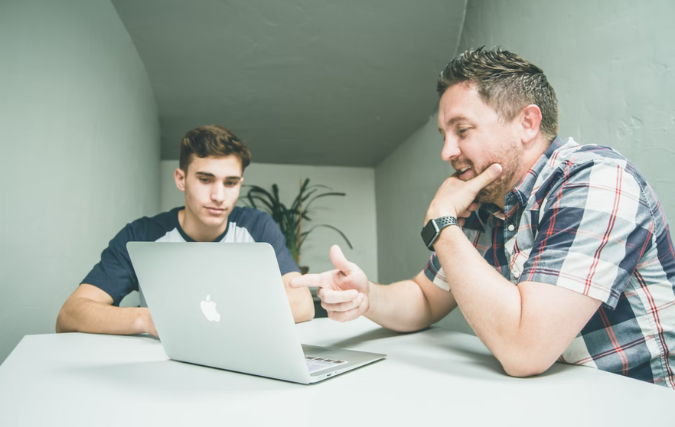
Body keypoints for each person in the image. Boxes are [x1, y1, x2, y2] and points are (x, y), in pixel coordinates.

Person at [291, 47, 675, 388]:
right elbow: (426, 297)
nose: (447, 151)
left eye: (462, 130)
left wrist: (442, 223)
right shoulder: (488, 201)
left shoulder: (597, 180)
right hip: (552, 397)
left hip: (638, 402)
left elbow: (526, 350)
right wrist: (367, 295)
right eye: (444, 134)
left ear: (527, 123)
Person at [57, 125, 314, 336]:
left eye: (231, 183)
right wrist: (148, 319)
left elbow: (302, 304)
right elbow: (70, 314)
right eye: (205, 179)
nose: (218, 196)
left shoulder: (257, 227)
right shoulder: (142, 235)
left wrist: (207, 317)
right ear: (181, 179)